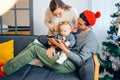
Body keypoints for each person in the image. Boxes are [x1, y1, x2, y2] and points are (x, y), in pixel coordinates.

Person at [0, 10, 101, 80]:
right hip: (59, 53)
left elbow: (80, 61)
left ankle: (4, 70)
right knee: (32, 45)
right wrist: (53, 46)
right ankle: (8, 65)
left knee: (34, 49)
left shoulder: (91, 41)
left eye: (80, 24)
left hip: (67, 64)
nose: (76, 25)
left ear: (88, 26)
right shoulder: (77, 31)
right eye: (77, 22)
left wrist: (64, 49)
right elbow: (62, 37)